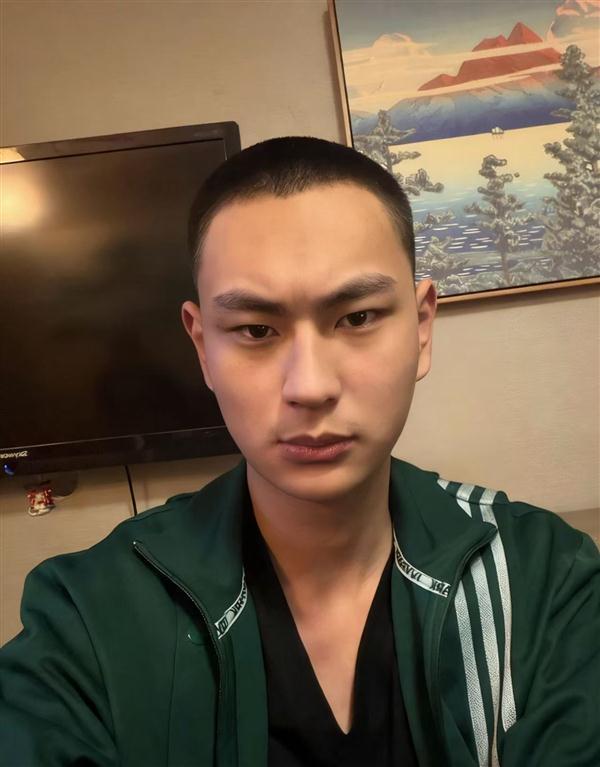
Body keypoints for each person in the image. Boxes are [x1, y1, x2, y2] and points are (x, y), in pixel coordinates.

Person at [0, 137, 598, 767]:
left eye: (358, 318)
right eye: (256, 330)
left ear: (422, 328)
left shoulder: (543, 578)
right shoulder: (91, 615)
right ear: (202, 347)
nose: (310, 387)